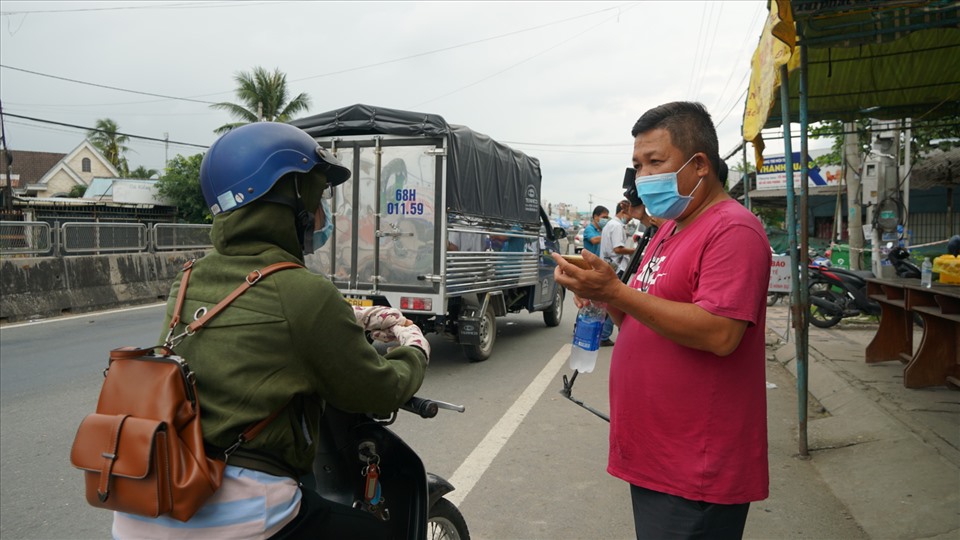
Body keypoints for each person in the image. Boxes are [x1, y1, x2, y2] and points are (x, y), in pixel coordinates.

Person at [113, 122, 429, 539]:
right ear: (289, 202)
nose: (323, 214)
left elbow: (251, 322)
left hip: (149, 503)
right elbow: (378, 389)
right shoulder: (303, 290)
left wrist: (348, 315)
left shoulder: (188, 278)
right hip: (240, 513)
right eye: (318, 199)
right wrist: (415, 350)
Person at [552, 101, 771, 540]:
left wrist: (616, 291)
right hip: (656, 452)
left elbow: (720, 332)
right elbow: (640, 311)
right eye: (637, 165)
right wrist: (602, 292)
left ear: (699, 164)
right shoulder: (670, 228)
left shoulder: (732, 230)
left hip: (696, 464)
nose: (643, 177)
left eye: (656, 162)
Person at [596, 200, 635, 346]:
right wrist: (635, 251)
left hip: (609, 266)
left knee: (607, 302)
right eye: (629, 214)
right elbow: (618, 249)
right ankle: (605, 334)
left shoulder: (609, 225)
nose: (630, 218)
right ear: (623, 211)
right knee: (615, 302)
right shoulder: (617, 226)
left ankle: (603, 334)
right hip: (617, 268)